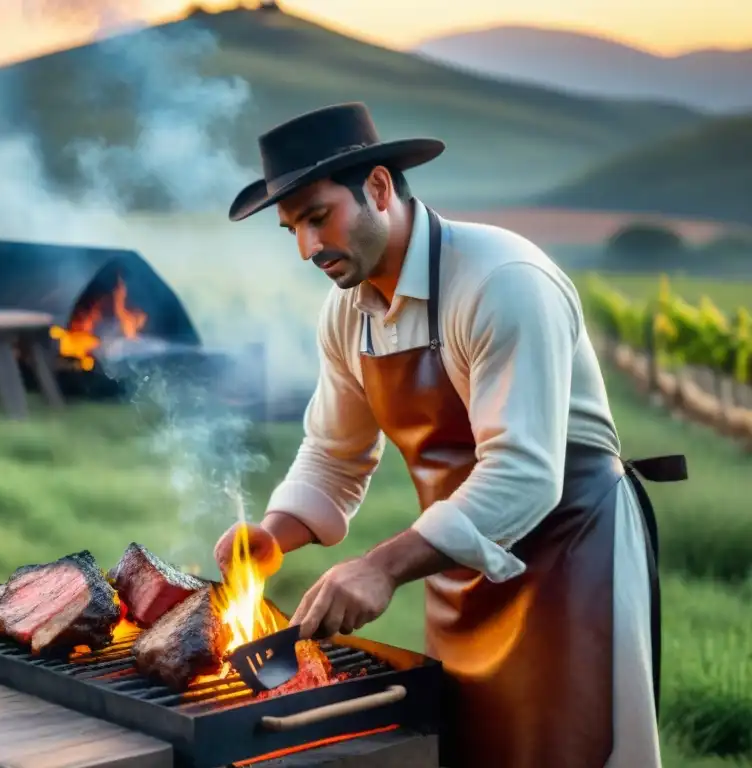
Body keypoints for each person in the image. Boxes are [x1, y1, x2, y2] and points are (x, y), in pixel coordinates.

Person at [214, 102, 688, 768]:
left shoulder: (502, 282)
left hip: (572, 557)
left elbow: (524, 474)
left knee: (572, 747)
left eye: (318, 217)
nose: (307, 248)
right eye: (291, 228)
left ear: (378, 188)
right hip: (454, 565)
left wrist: (381, 567)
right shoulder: (346, 313)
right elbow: (333, 453)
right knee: (468, 746)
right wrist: (271, 535)